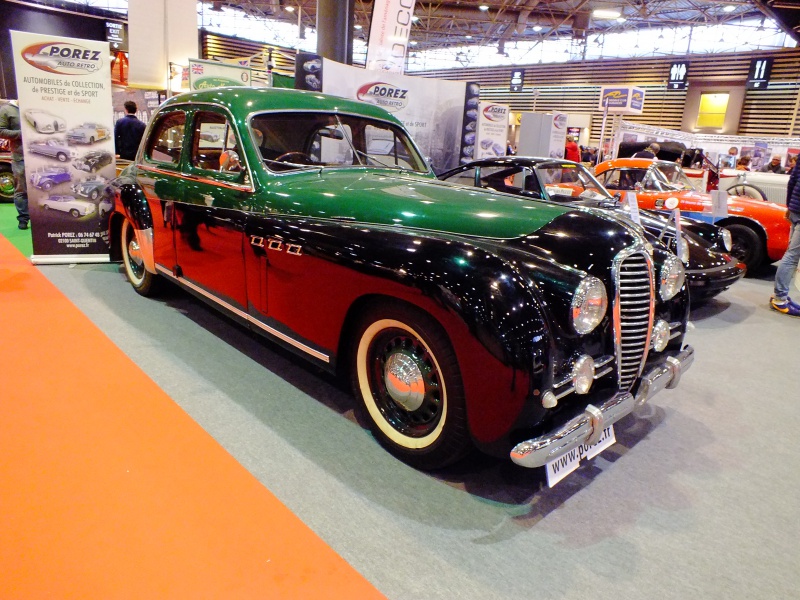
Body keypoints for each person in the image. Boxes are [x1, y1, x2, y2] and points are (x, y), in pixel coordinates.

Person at [770, 162, 800, 317]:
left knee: (791, 254)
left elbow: (793, 179)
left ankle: (781, 295)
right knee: (792, 256)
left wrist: (789, 206)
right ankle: (780, 299)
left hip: (796, 208)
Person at [0, 99, 29, 229]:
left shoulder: (35, 106)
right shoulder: (7, 110)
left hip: (41, 155)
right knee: (21, 189)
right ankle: (23, 219)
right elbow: (1, 131)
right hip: (20, 156)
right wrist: (22, 134)